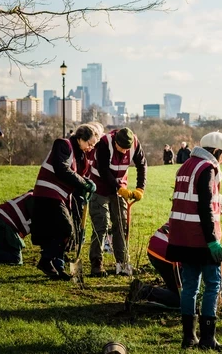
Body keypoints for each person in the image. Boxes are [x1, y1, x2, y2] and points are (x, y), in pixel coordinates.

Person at [167, 131, 222, 350]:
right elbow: (204, 206)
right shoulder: (207, 168)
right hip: (201, 236)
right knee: (214, 283)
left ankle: (189, 337)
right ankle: (207, 338)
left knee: (190, 287)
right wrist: (213, 240)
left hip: (181, 235)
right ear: (215, 151)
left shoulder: (185, 165)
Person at [31, 124, 99, 280]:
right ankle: (46, 261)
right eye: (89, 144)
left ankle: (57, 267)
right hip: (47, 194)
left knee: (62, 233)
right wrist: (83, 183)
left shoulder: (79, 155)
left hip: (59, 197)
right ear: (80, 139)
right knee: (66, 229)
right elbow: (62, 169)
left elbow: (76, 177)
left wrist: (84, 186)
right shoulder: (63, 144)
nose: (90, 148)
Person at [88, 127, 148, 277]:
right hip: (100, 186)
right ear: (115, 142)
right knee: (101, 224)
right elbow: (103, 170)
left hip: (120, 186)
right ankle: (96, 264)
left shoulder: (134, 143)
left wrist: (140, 188)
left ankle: (122, 264)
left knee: (122, 224)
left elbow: (142, 165)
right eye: (120, 148)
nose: (123, 152)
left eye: (126, 149)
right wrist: (118, 188)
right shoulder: (104, 143)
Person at [128, 222, 181, 310]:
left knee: (179, 290)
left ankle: (148, 290)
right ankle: (143, 291)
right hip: (167, 253)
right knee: (184, 299)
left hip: (157, 244)